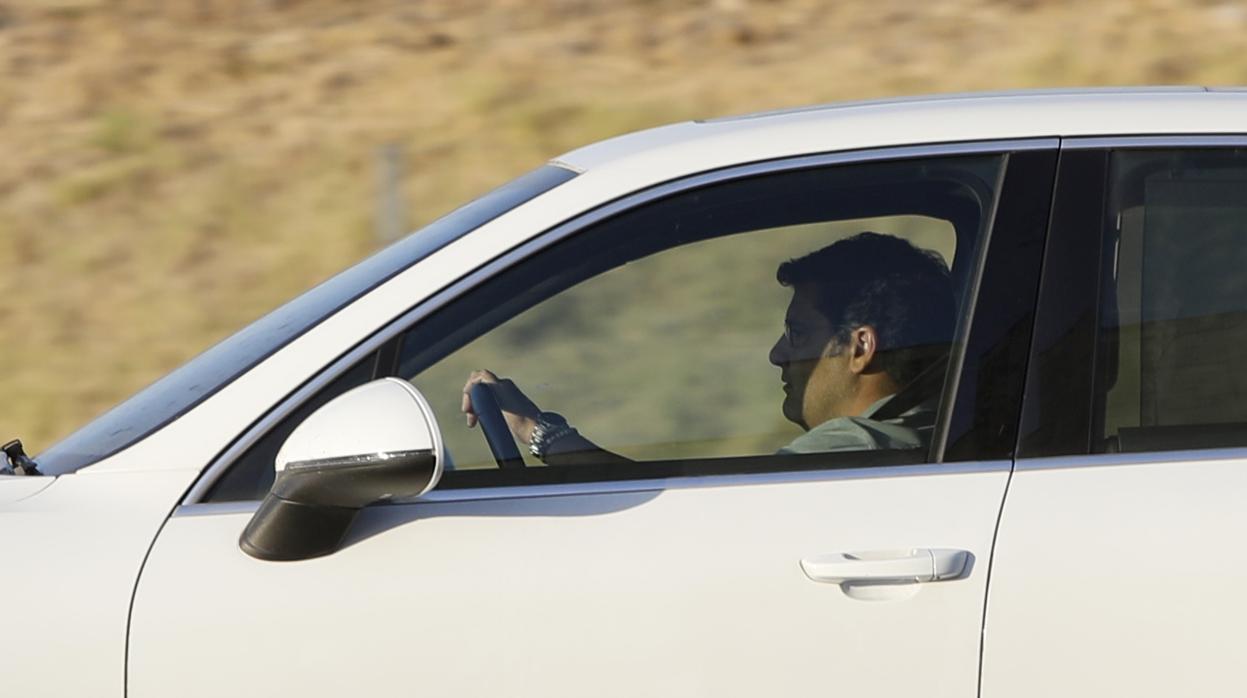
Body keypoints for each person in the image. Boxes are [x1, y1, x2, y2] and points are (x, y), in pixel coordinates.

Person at [461, 232, 956, 463]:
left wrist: (535, 429)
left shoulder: (853, 449)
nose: (777, 355)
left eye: (798, 335)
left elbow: (678, 515)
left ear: (860, 347)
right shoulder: (932, 423)